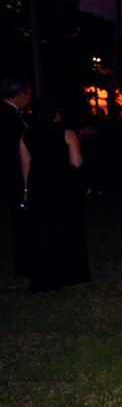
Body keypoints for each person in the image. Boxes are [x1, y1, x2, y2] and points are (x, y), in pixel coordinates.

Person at [19, 101, 91, 291]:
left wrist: (26, 190)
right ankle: (69, 273)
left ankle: (44, 275)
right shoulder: (67, 133)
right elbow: (76, 162)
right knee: (66, 228)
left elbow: (25, 165)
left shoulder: (26, 134)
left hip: (39, 187)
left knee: (41, 230)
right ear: (57, 115)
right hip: (62, 186)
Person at [1, 78, 32, 278]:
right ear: (20, 95)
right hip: (11, 174)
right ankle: (23, 263)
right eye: (28, 94)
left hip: (11, 172)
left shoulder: (13, 114)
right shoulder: (8, 117)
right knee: (20, 217)